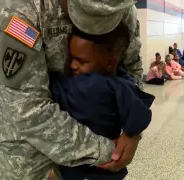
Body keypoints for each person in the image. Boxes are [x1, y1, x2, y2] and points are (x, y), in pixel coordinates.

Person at [0, 0, 143, 179]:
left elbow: (131, 67)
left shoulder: (121, 6)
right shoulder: (15, 6)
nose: (96, 25)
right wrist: (108, 152)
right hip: (29, 158)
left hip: (99, 149)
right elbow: (26, 109)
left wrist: (132, 131)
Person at [50, 22, 154, 180]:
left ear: (110, 62)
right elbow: (141, 111)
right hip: (109, 167)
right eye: (72, 58)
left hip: (79, 167)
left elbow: (51, 91)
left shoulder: (84, 85)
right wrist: (131, 133)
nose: (72, 65)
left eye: (81, 61)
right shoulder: (121, 82)